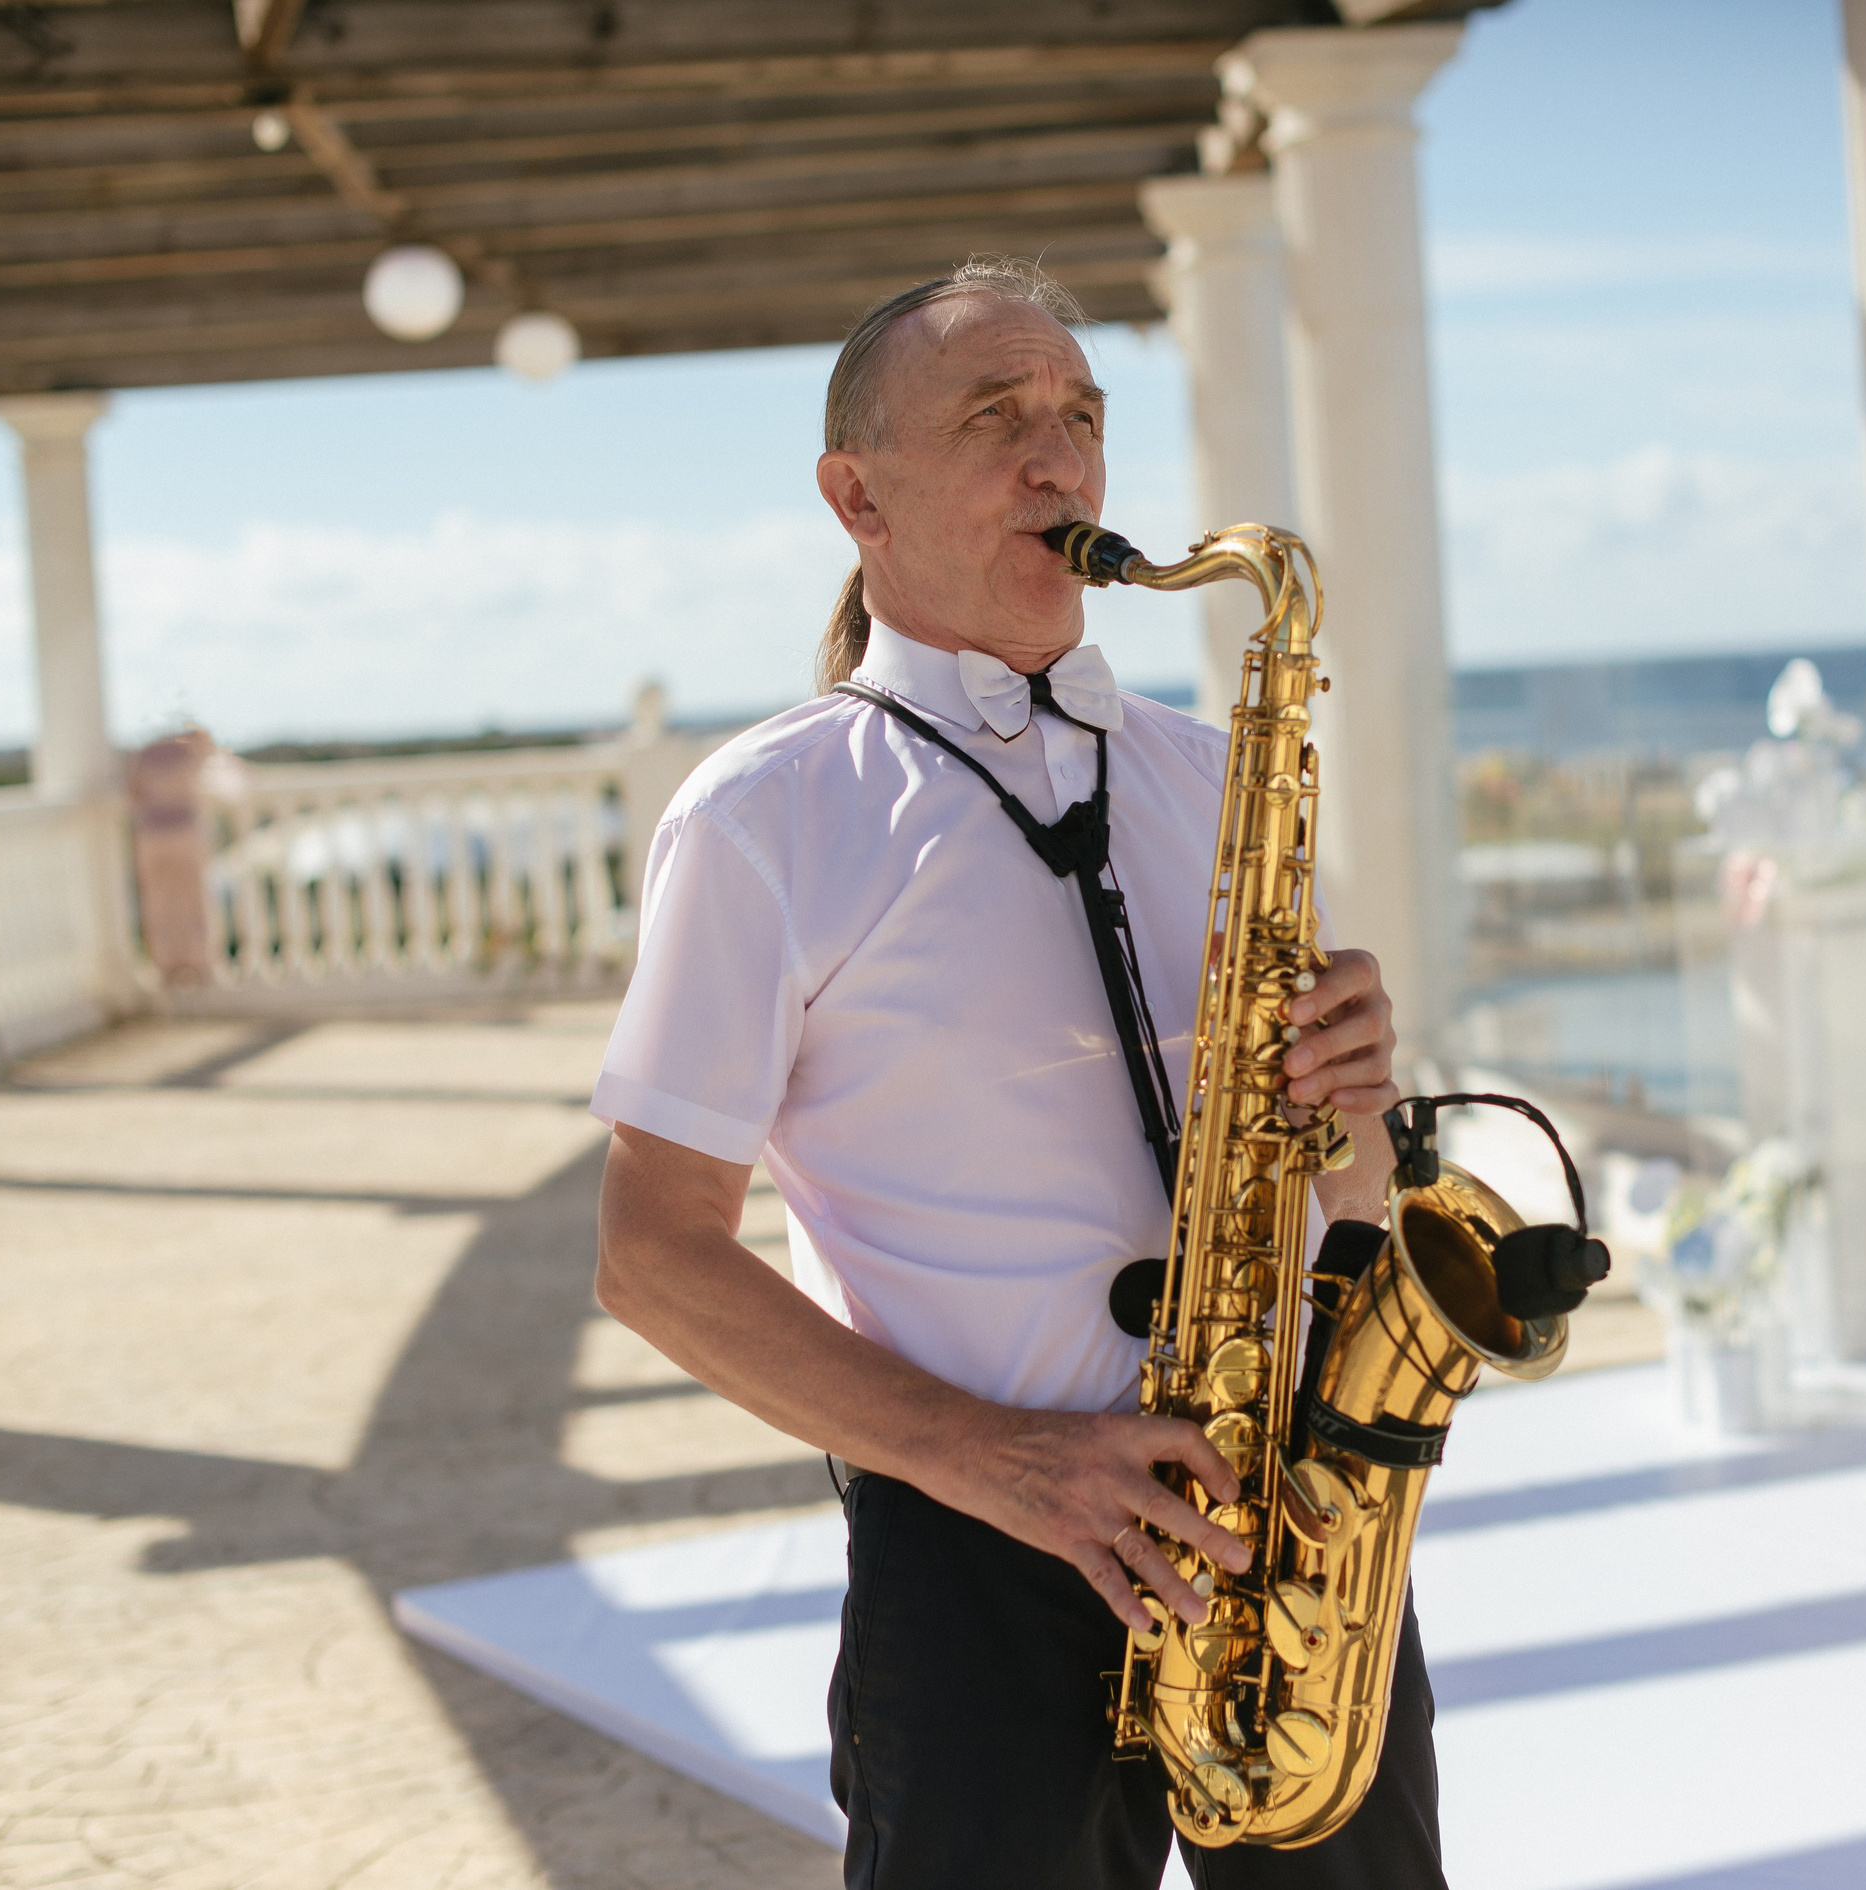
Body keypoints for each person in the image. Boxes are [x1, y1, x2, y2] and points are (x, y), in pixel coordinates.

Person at [591, 257, 1449, 1890]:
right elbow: (652, 1257)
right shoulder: (762, 817)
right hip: (976, 1548)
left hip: (1284, 1516)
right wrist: (999, 1458)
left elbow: (1343, 1188)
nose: (1059, 460)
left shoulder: (1218, 773)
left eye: (1079, 416)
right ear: (859, 493)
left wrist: (1356, 1111)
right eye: (998, 418)